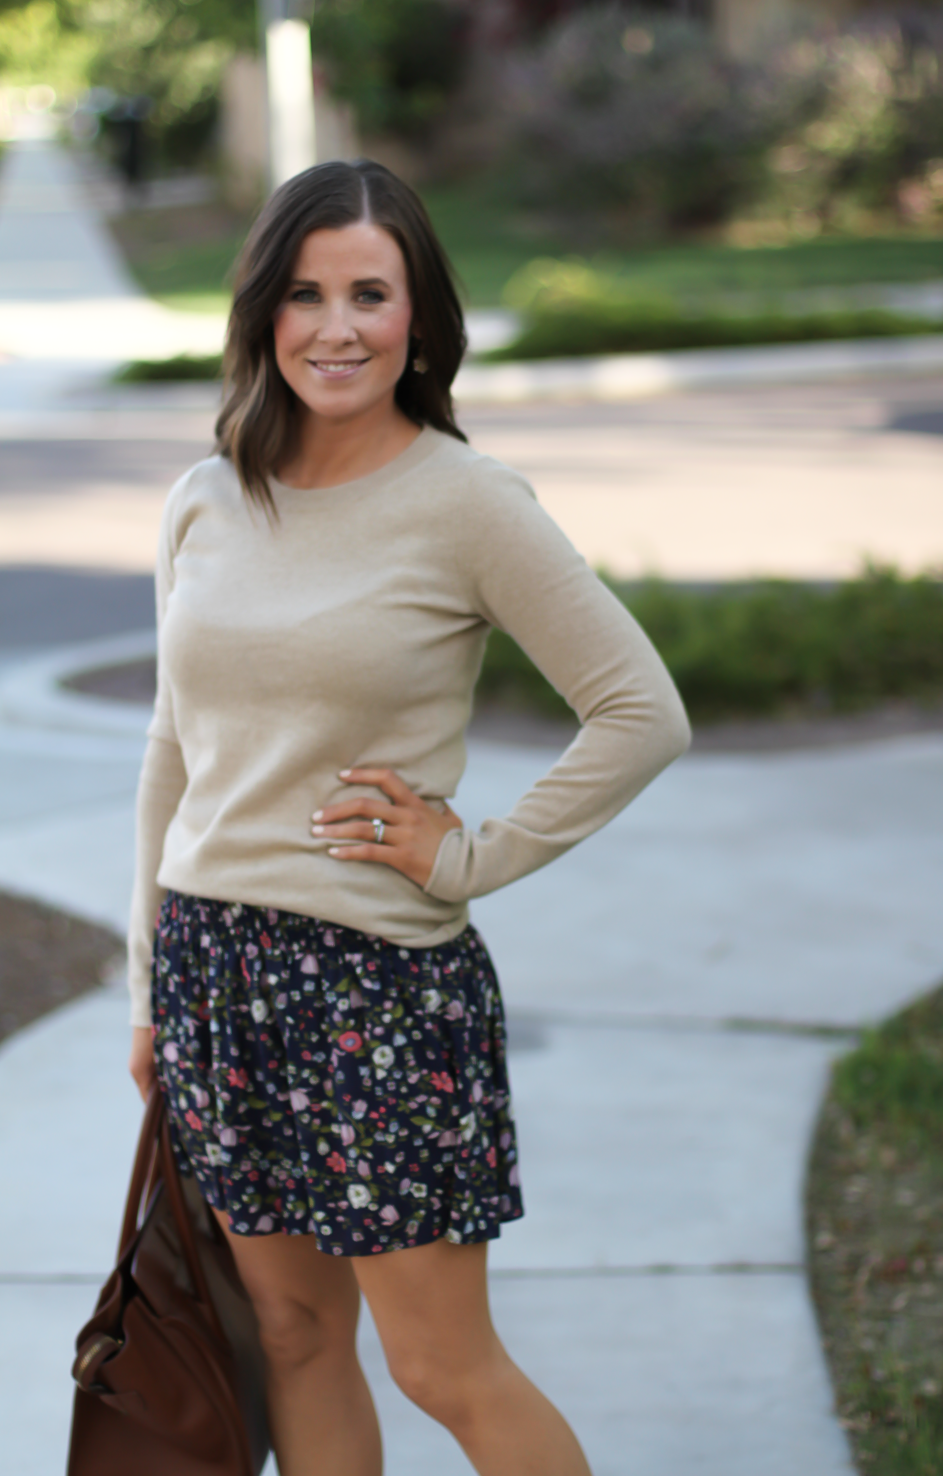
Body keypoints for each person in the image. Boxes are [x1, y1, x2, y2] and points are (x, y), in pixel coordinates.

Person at [126, 159, 690, 1476]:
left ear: (418, 319)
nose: (336, 326)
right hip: (216, 973)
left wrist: (475, 854)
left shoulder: (466, 502)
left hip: (375, 986)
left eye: (368, 294)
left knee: (441, 1365)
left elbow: (638, 712)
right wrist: (151, 983)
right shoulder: (205, 495)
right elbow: (171, 749)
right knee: (294, 1336)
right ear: (262, 313)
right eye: (305, 293)